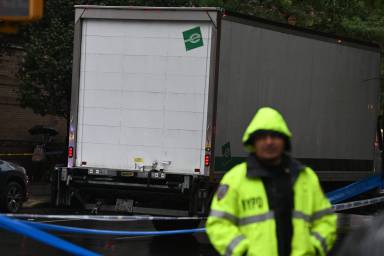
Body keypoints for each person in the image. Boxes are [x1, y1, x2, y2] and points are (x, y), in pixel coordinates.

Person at [206, 107, 337, 256]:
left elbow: (327, 221)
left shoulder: (305, 178)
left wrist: (314, 248)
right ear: (253, 141)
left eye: (275, 136)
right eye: (262, 136)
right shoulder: (235, 180)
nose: (269, 142)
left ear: (284, 140)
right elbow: (218, 223)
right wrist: (242, 252)